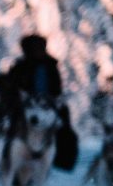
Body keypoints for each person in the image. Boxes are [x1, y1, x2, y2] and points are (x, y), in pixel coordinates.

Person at [9, 35, 78, 171]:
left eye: (39, 48)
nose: (37, 51)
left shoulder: (51, 67)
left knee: (65, 129)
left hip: (48, 106)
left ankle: (61, 163)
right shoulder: (20, 67)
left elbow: (57, 90)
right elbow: (12, 88)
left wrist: (53, 104)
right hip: (26, 106)